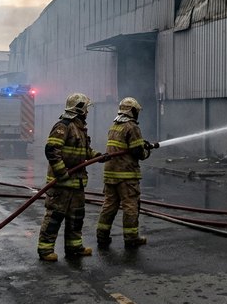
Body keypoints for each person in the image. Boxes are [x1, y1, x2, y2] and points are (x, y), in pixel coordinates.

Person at [37, 92, 103, 261]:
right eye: (86, 109)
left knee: (76, 216)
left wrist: (99, 156)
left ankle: (74, 247)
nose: (88, 112)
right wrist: (61, 172)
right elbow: (51, 150)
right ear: (79, 109)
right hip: (62, 183)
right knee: (55, 216)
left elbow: (85, 151)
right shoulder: (63, 126)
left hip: (76, 182)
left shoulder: (79, 127)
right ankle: (45, 250)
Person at [96, 97, 156, 249]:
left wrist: (141, 145)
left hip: (110, 174)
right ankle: (131, 238)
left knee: (109, 205)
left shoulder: (114, 126)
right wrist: (146, 151)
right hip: (126, 175)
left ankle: (102, 236)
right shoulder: (132, 126)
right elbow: (137, 152)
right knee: (130, 206)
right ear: (132, 111)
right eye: (136, 111)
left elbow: (127, 146)